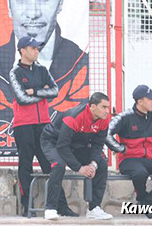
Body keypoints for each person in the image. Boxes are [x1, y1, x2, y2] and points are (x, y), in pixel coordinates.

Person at [8, 37, 70, 216]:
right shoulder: (15, 72)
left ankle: (62, 206)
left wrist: (35, 91)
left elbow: (55, 91)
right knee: (25, 166)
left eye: (37, 48)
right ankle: (28, 207)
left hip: (43, 124)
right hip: (23, 125)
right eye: (33, 48)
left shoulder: (43, 70)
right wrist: (43, 93)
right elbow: (21, 98)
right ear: (22, 50)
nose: (37, 51)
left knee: (52, 165)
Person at [106, 85, 152, 213]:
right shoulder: (124, 116)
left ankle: (146, 202)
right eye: (150, 99)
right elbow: (106, 134)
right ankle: (144, 199)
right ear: (140, 101)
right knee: (140, 173)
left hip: (150, 158)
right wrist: (122, 149)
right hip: (129, 160)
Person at [39, 93, 113, 221]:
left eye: (108, 107)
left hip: (76, 144)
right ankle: (50, 208)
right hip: (53, 141)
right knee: (59, 165)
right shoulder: (75, 117)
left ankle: (94, 209)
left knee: (101, 165)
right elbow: (62, 146)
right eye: (104, 107)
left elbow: (98, 144)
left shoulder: (105, 119)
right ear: (93, 107)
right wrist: (79, 168)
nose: (107, 111)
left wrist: (93, 164)